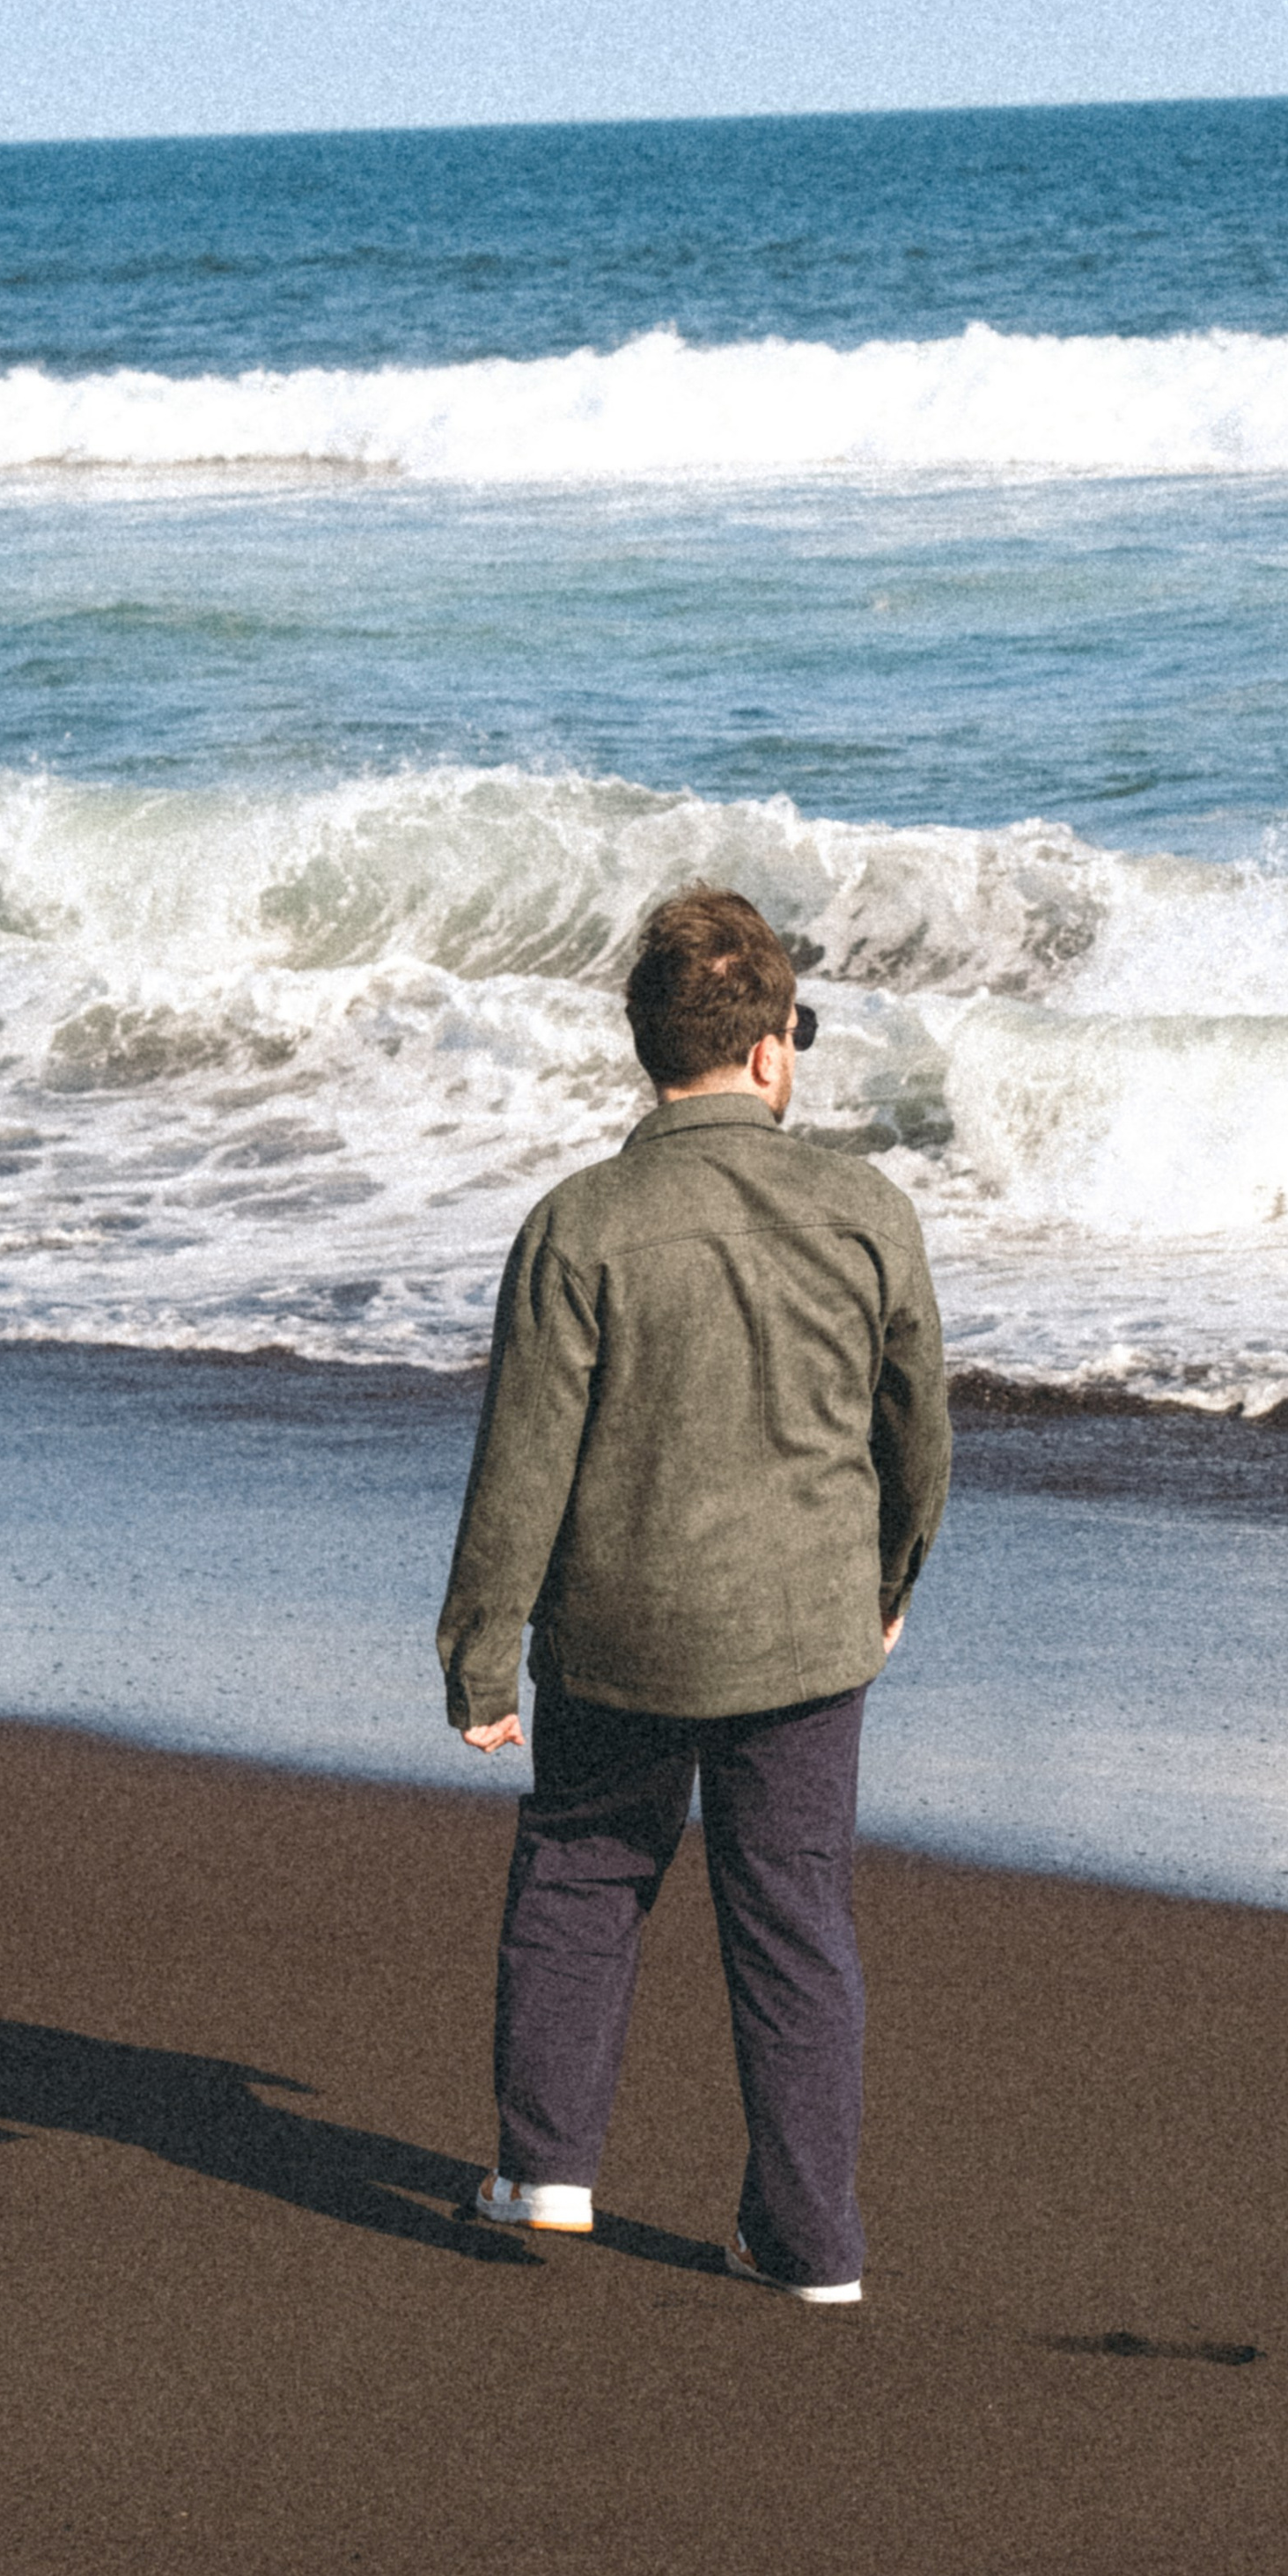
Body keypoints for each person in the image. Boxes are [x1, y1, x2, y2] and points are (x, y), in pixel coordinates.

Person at [437, 886, 951, 2306]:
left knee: (586, 1874)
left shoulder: (580, 1224)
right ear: (776, 1049)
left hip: (621, 1632)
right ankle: (811, 2246)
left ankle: (546, 2173)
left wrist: (481, 1659)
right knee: (793, 1919)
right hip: (804, 1631)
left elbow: (521, 1468)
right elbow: (921, 1433)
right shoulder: (864, 1209)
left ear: (645, 1049)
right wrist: (889, 1581)